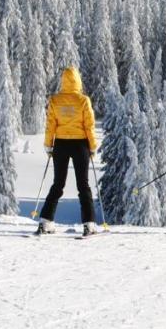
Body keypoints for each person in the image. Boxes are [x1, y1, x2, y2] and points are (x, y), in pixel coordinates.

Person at [36, 66, 98, 236]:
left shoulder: (55, 100)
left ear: (63, 81)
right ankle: (88, 224)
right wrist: (92, 146)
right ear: (78, 80)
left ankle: (45, 222)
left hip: (61, 145)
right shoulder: (83, 100)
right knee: (83, 185)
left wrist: (48, 145)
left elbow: (50, 126)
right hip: (80, 145)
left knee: (58, 184)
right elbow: (89, 126)